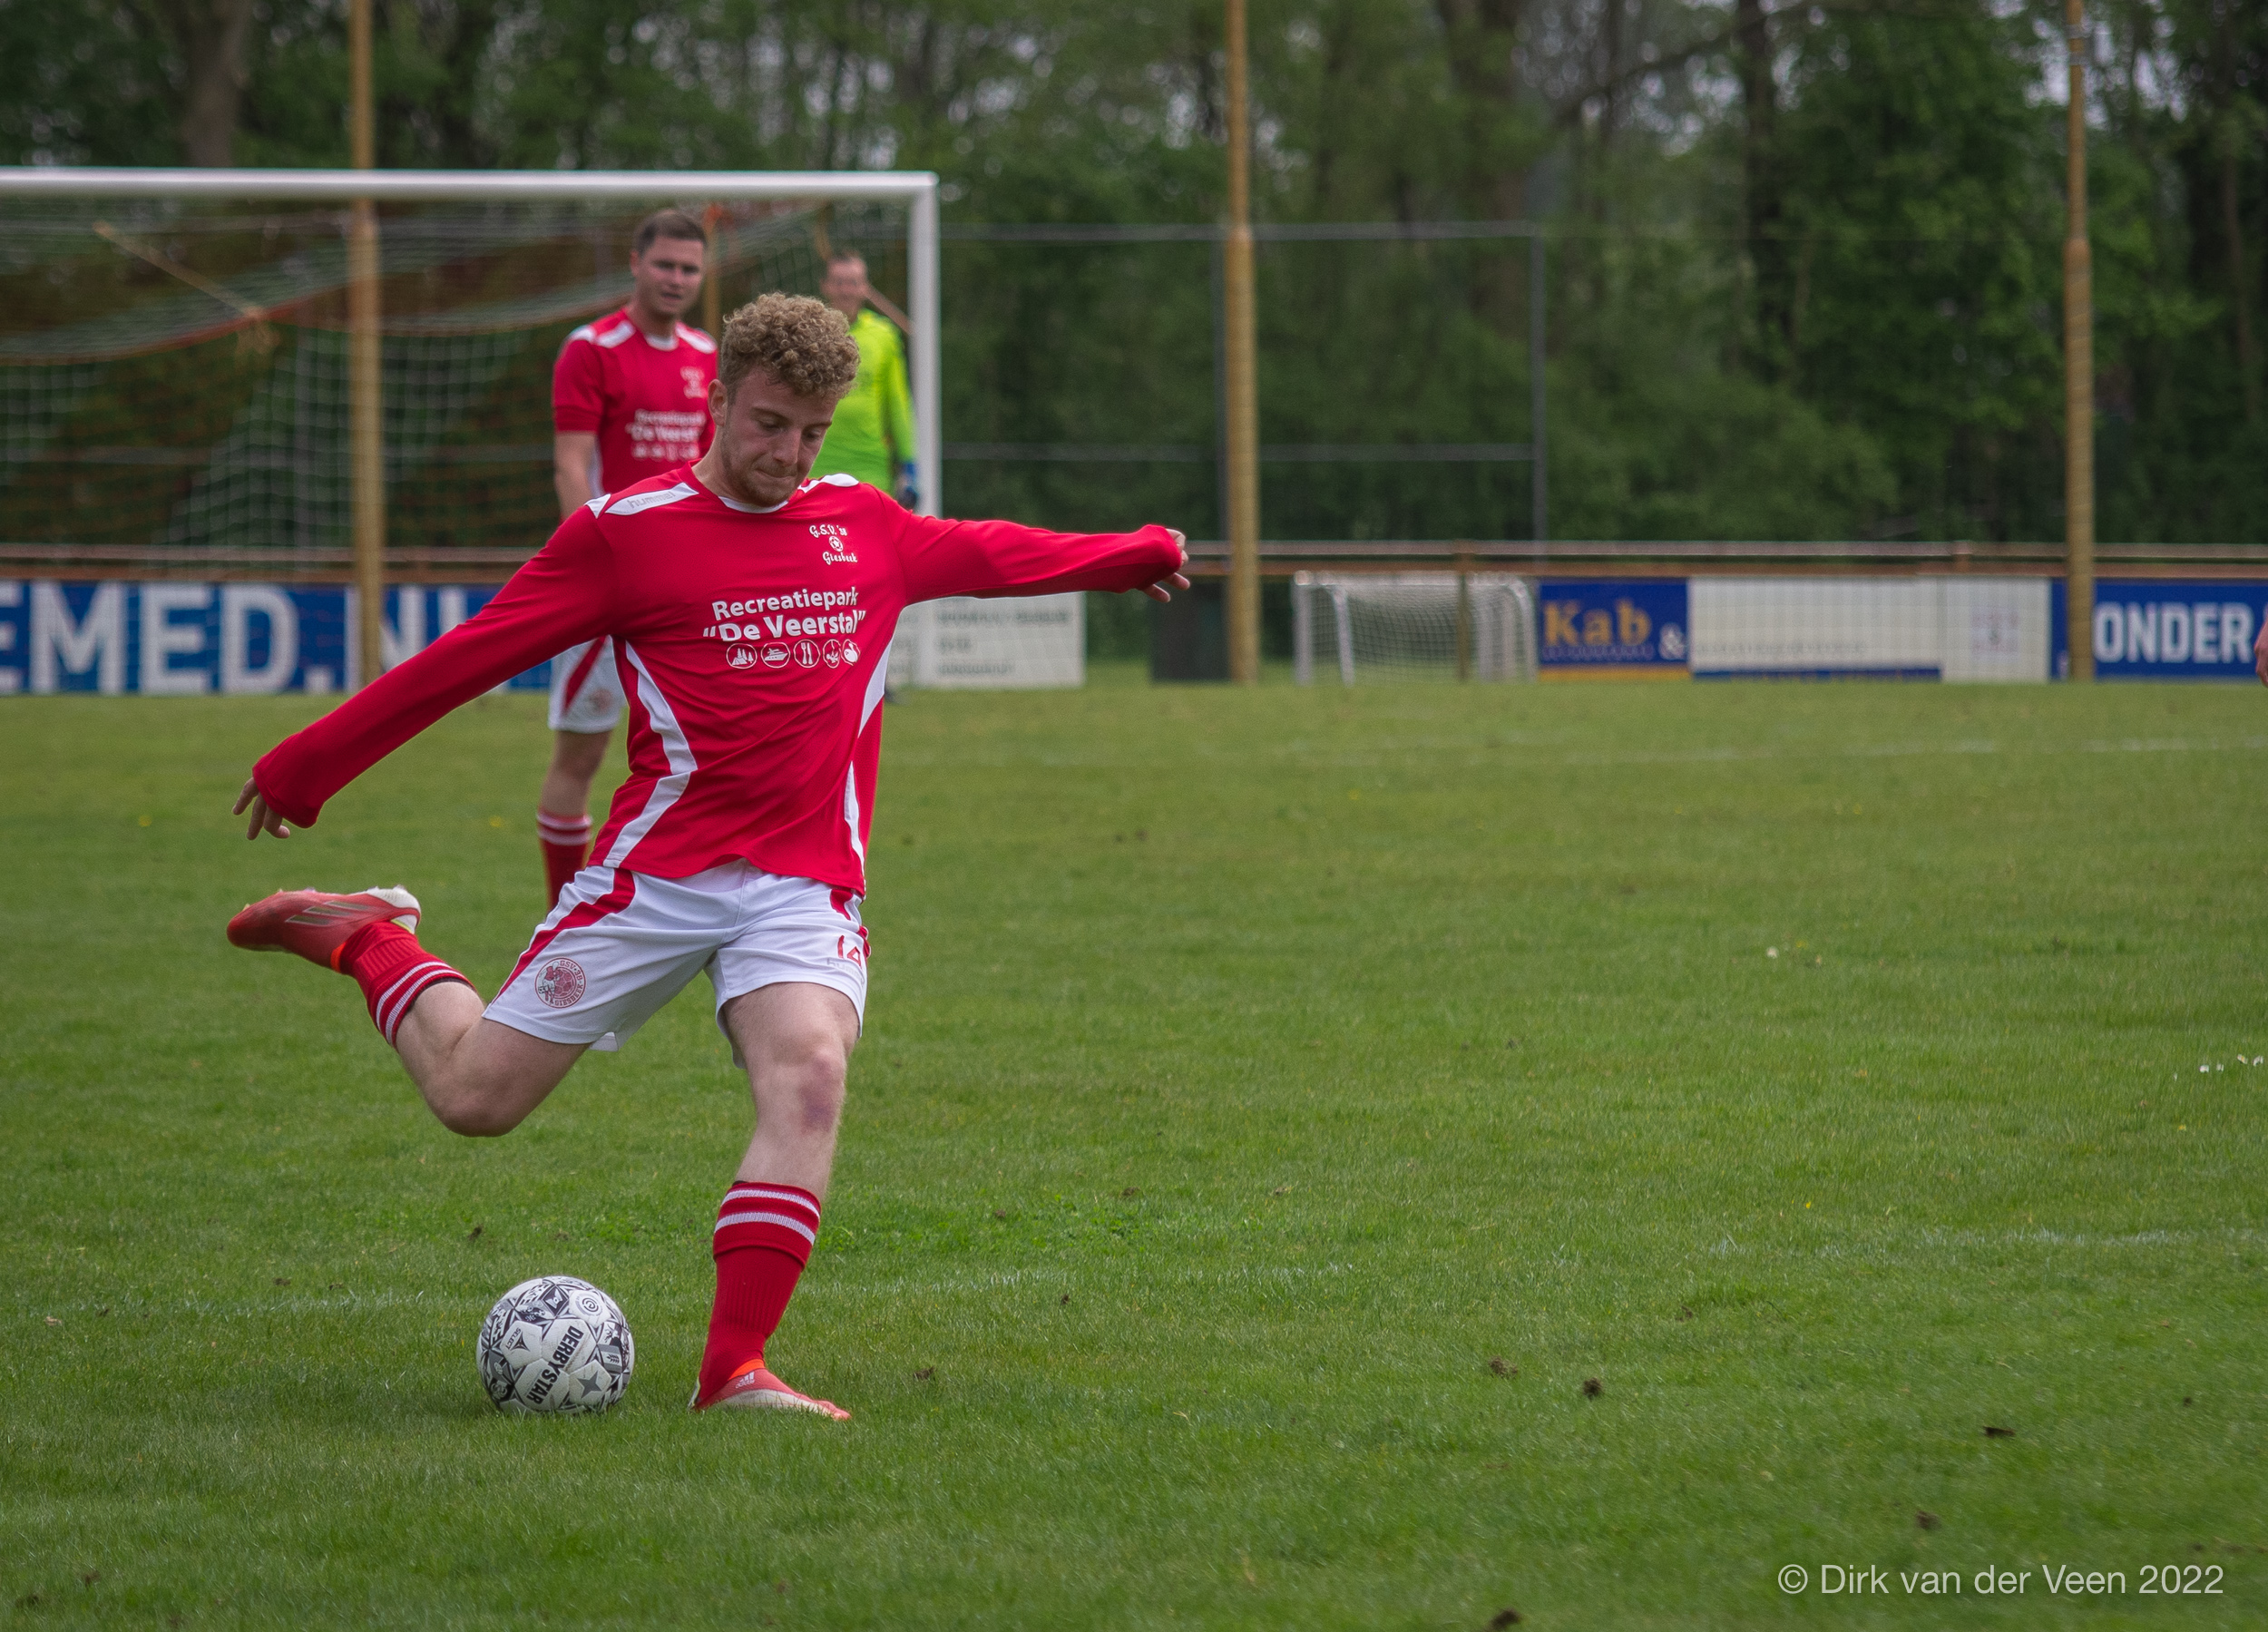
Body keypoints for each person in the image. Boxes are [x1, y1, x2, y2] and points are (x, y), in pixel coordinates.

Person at [223, 294, 1188, 1420]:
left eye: (812, 432)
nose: (790, 455)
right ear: (718, 401)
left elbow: (992, 552)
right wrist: (307, 765)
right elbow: (470, 654)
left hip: (802, 882)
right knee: (475, 1097)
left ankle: (734, 1367)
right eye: (770, 424)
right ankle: (368, 938)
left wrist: (1130, 556)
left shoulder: (863, 526)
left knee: (811, 1073)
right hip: (658, 877)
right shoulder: (624, 534)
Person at [540, 209, 718, 909]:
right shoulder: (592, 349)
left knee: (707, 755)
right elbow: (570, 464)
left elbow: (712, 470)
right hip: (610, 585)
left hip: (691, 589)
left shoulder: (707, 356)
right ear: (636, 264)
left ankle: (696, 907)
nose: (677, 278)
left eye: (689, 268)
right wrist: (592, 568)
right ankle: (561, 916)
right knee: (581, 755)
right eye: (665, 264)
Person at [808, 252, 917, 506]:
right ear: (825, 286)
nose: (846, 290)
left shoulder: (884, 336)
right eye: (839, 282)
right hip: (815, 465)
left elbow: (897, 403)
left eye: (853, 282)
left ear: (866, 288)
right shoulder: (809, 333)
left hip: (871, 469)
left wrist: (909, 464)